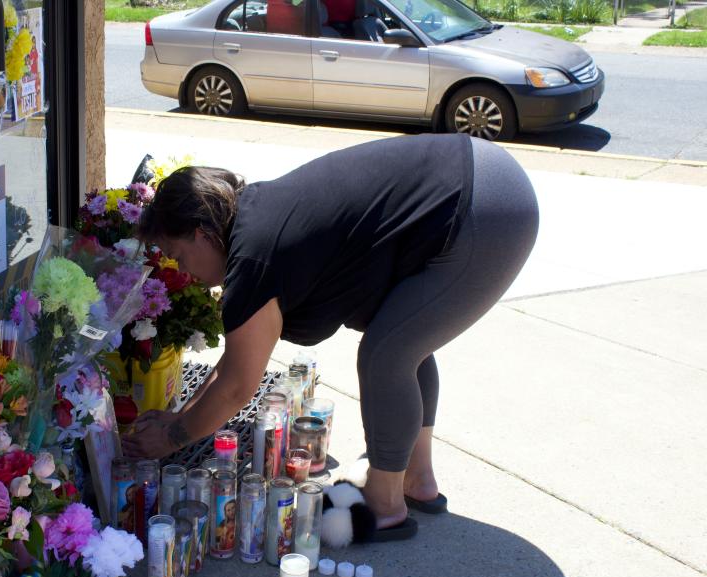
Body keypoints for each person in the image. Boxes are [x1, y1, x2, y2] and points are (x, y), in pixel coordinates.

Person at [123, 134, 538, 541]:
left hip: (481, 210)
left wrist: (173, 438)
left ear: (201, 233)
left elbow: (237, 387)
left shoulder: (253, 255)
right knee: (402, 342)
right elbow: (236, 365)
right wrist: (180, 418)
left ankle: (386, 504)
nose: (185, 272)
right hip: (485, 182)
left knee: (387, 355)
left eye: (178, 254)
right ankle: (416, 478)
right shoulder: (256, 219)